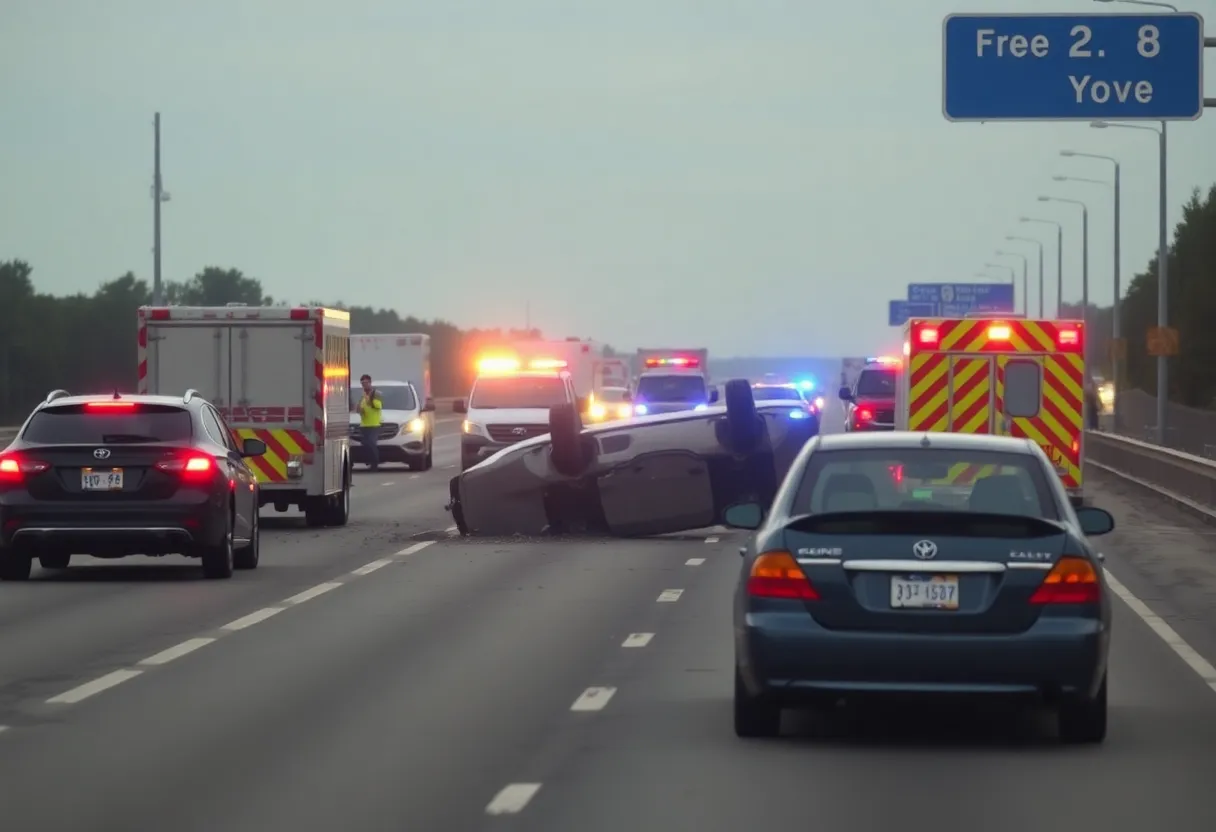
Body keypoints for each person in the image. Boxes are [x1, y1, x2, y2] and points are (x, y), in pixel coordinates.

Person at [356, 374, 383, 470]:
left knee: (371, 443)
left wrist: (370, 400)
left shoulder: (376, 394)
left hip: (374, 424)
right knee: (365, 444)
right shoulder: (362, 396)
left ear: (370, 383)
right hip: (364, 425)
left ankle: (375, 463)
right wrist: (359, 409)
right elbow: (359, 409)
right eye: (363, 383)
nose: (364, 385)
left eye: (366, 383)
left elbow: (378, 406)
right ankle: (369, 460)